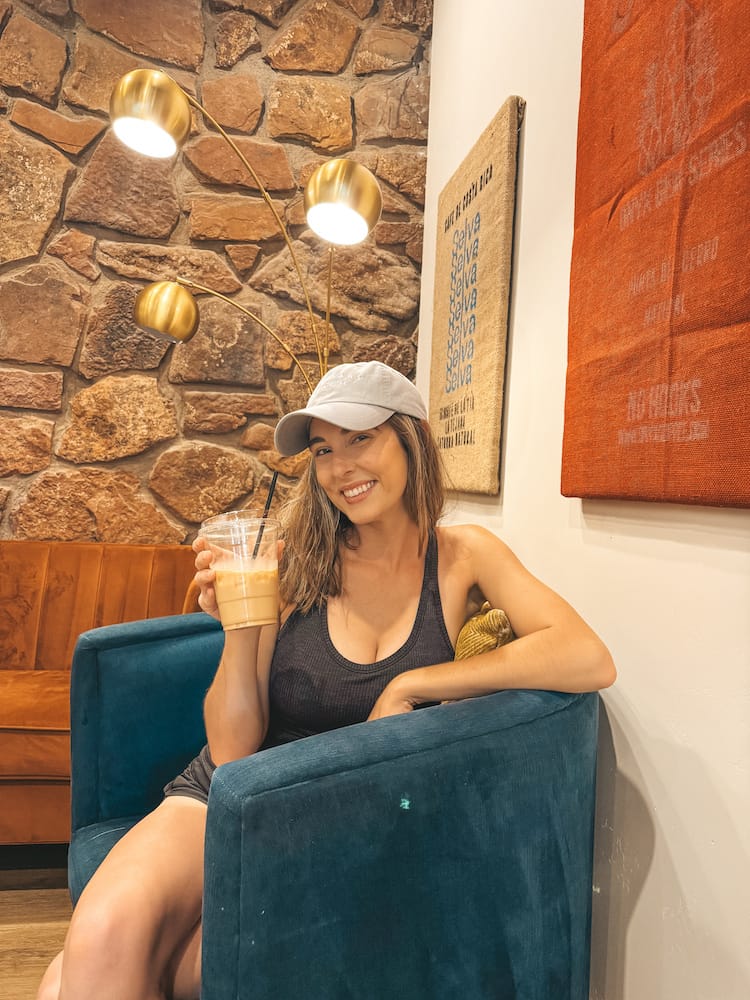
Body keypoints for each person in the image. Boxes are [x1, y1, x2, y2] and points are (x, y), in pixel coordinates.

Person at [37, 360, 616, 1000]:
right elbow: (231, 752)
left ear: (411, 438)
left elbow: (587, 656)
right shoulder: (290, 556)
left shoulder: (463, 557)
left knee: (110, 975)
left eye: (360, 439)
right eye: (323, 450)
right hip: (228, 792)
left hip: (334, 815)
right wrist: (239, 625)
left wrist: (416, 683)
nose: (341, 468)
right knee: (101, 936)